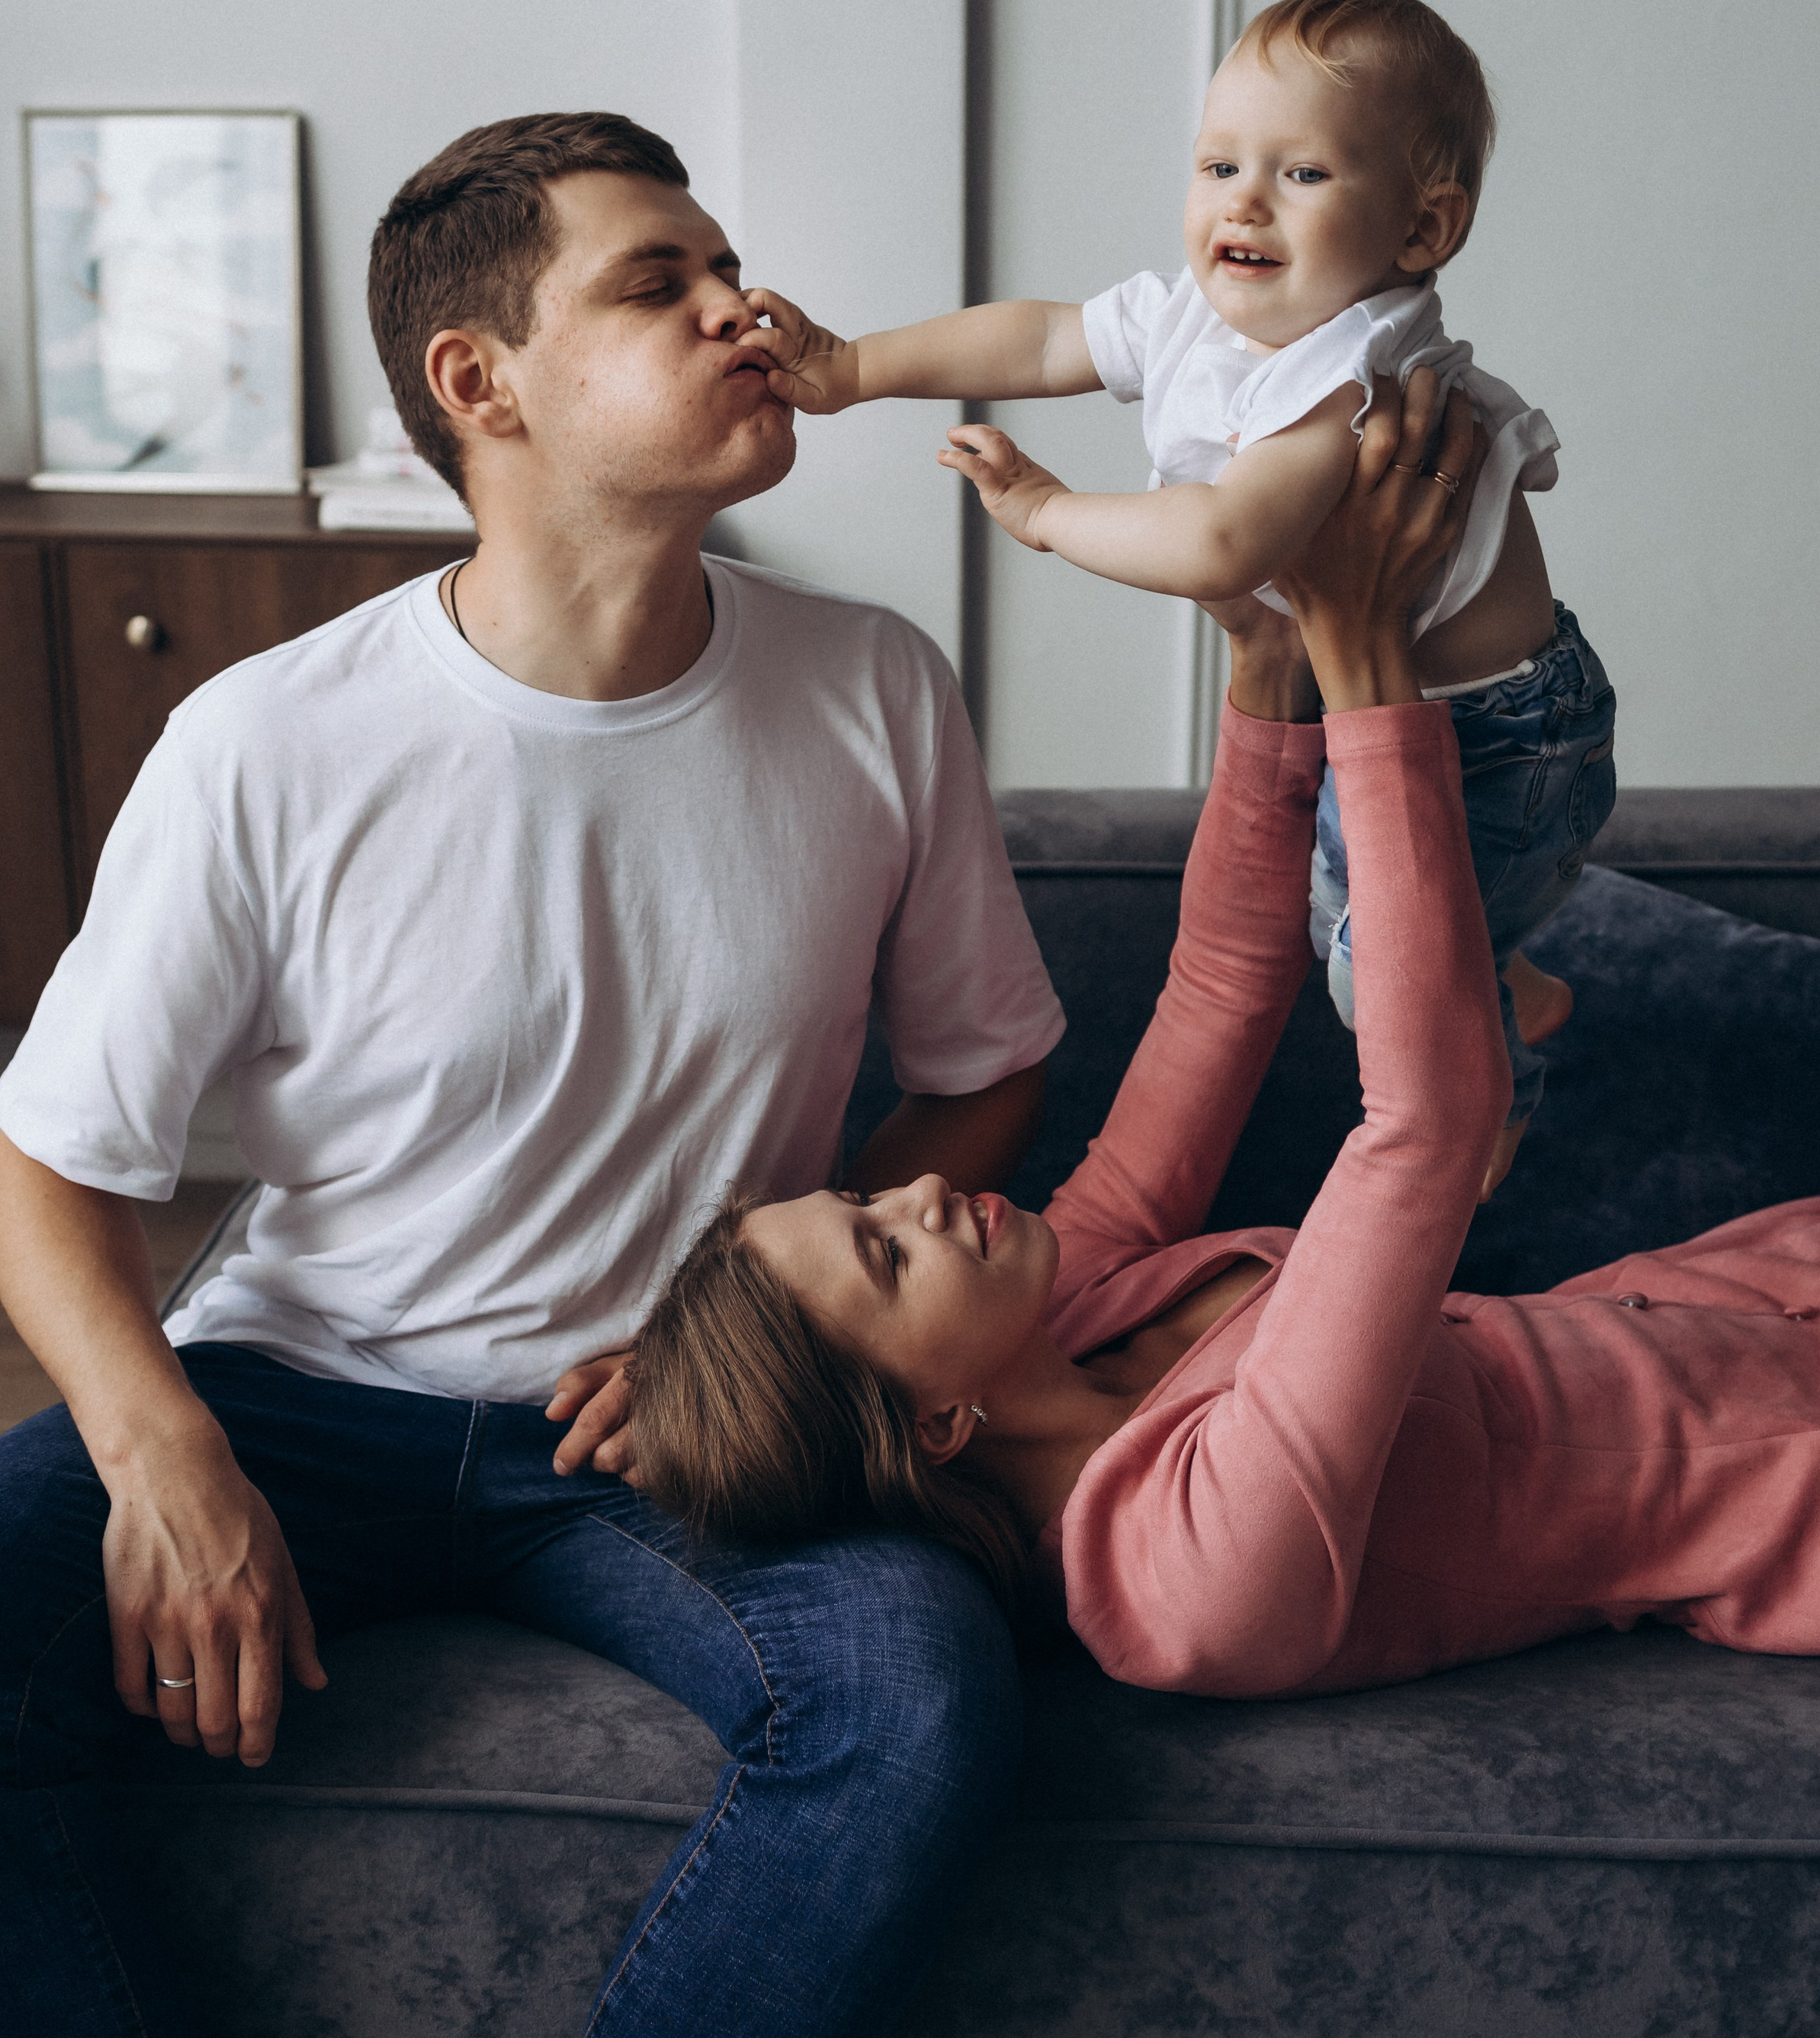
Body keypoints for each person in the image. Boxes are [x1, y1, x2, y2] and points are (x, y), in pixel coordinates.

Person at [0, 113, 1064, 2038]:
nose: (741, 304)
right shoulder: (271, 743)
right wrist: (164, 1453)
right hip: (305, 1393)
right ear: (478, 384)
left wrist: (758, 1319)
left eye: (728, 258)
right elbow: (42, 1163)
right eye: (653, 279)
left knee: (917, 1703)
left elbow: (985, 1060)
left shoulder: (877, 688)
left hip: (664, 1438)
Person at [628, 366, 1820, 1699]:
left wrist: (1267, 668)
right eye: (885, 1254)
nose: (917, 1191)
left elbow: (1219, 991)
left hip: (1763, 1288)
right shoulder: (1187, 1576)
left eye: (865, 1195)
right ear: (936, 1427)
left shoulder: (1070, 1306)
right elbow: (1427, 1135)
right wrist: (1368, 663)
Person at [752, 0, 1617, 1196]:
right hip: (1396, 718)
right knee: (1344, 931)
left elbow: (1221, 547)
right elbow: (1046, 339)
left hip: (1506, 740)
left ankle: (1500, 1077)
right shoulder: (1210, 318)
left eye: (1303, 174)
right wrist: (855, 367)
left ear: (1423, 231)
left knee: (1384, 978)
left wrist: (1050, 515)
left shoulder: (1353, 382)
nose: (1242, 202)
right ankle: (1512, 982)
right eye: (1218, 164)